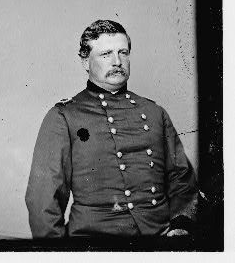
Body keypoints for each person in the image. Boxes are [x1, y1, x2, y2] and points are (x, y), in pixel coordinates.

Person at [25, 20, 199, 239]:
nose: (117, 62)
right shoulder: (64, 116)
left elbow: (182, 180)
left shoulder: (155, 112)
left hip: (160, 238)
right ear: (85, 62)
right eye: (106, 54)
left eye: (123, 53)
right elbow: (43, 199)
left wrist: (181, 226)